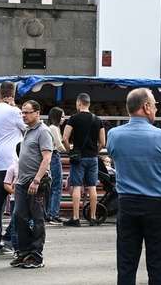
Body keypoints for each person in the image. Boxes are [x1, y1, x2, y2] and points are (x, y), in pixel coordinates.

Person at [107, 88, 161, 285]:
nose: (156, 110)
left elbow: (115, 159)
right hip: (157, 205)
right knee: (158, 264)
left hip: (127, 204)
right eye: (154, 105)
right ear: (146, 107)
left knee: (126, 263)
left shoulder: (114, 134)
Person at [10, 100, 53, 269]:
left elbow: (47, 158)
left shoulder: (43, 131)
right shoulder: (28, 130)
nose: (24, 115)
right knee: (19, 217)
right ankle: (24, 253)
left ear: (37, 113)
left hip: (36, 182)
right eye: (22, 112)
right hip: (22, 182)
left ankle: (36, 256)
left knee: (37, 220)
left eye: (27, 112)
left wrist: (36, 180)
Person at [0, 81, 24, 256]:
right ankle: (9, 237)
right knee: (21, 203)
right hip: (10, 164)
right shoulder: (14, 112)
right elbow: (30, 127)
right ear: (12, 94)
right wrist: (16, 107)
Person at [62, 93, 105, 227]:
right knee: (92, 187)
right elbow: (103, 142)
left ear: (79, 103)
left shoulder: (74, 119)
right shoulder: (98, 119)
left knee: (77, 186)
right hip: (92, 158)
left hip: (79, 158)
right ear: (89, 104)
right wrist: (95, 152)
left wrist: (70, 151)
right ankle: (92, 217)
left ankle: (75, 218)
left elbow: (64, 138)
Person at [45, 107, 65, 225]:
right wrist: (69, 149)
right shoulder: (54, 128)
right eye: (62, 116)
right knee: (57, 186)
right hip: (54, 155)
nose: (63, 119)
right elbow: (59, 145)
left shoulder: (52, 127)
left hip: (52, 156)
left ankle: (50, 213)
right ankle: (53, 214)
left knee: (52, 186)